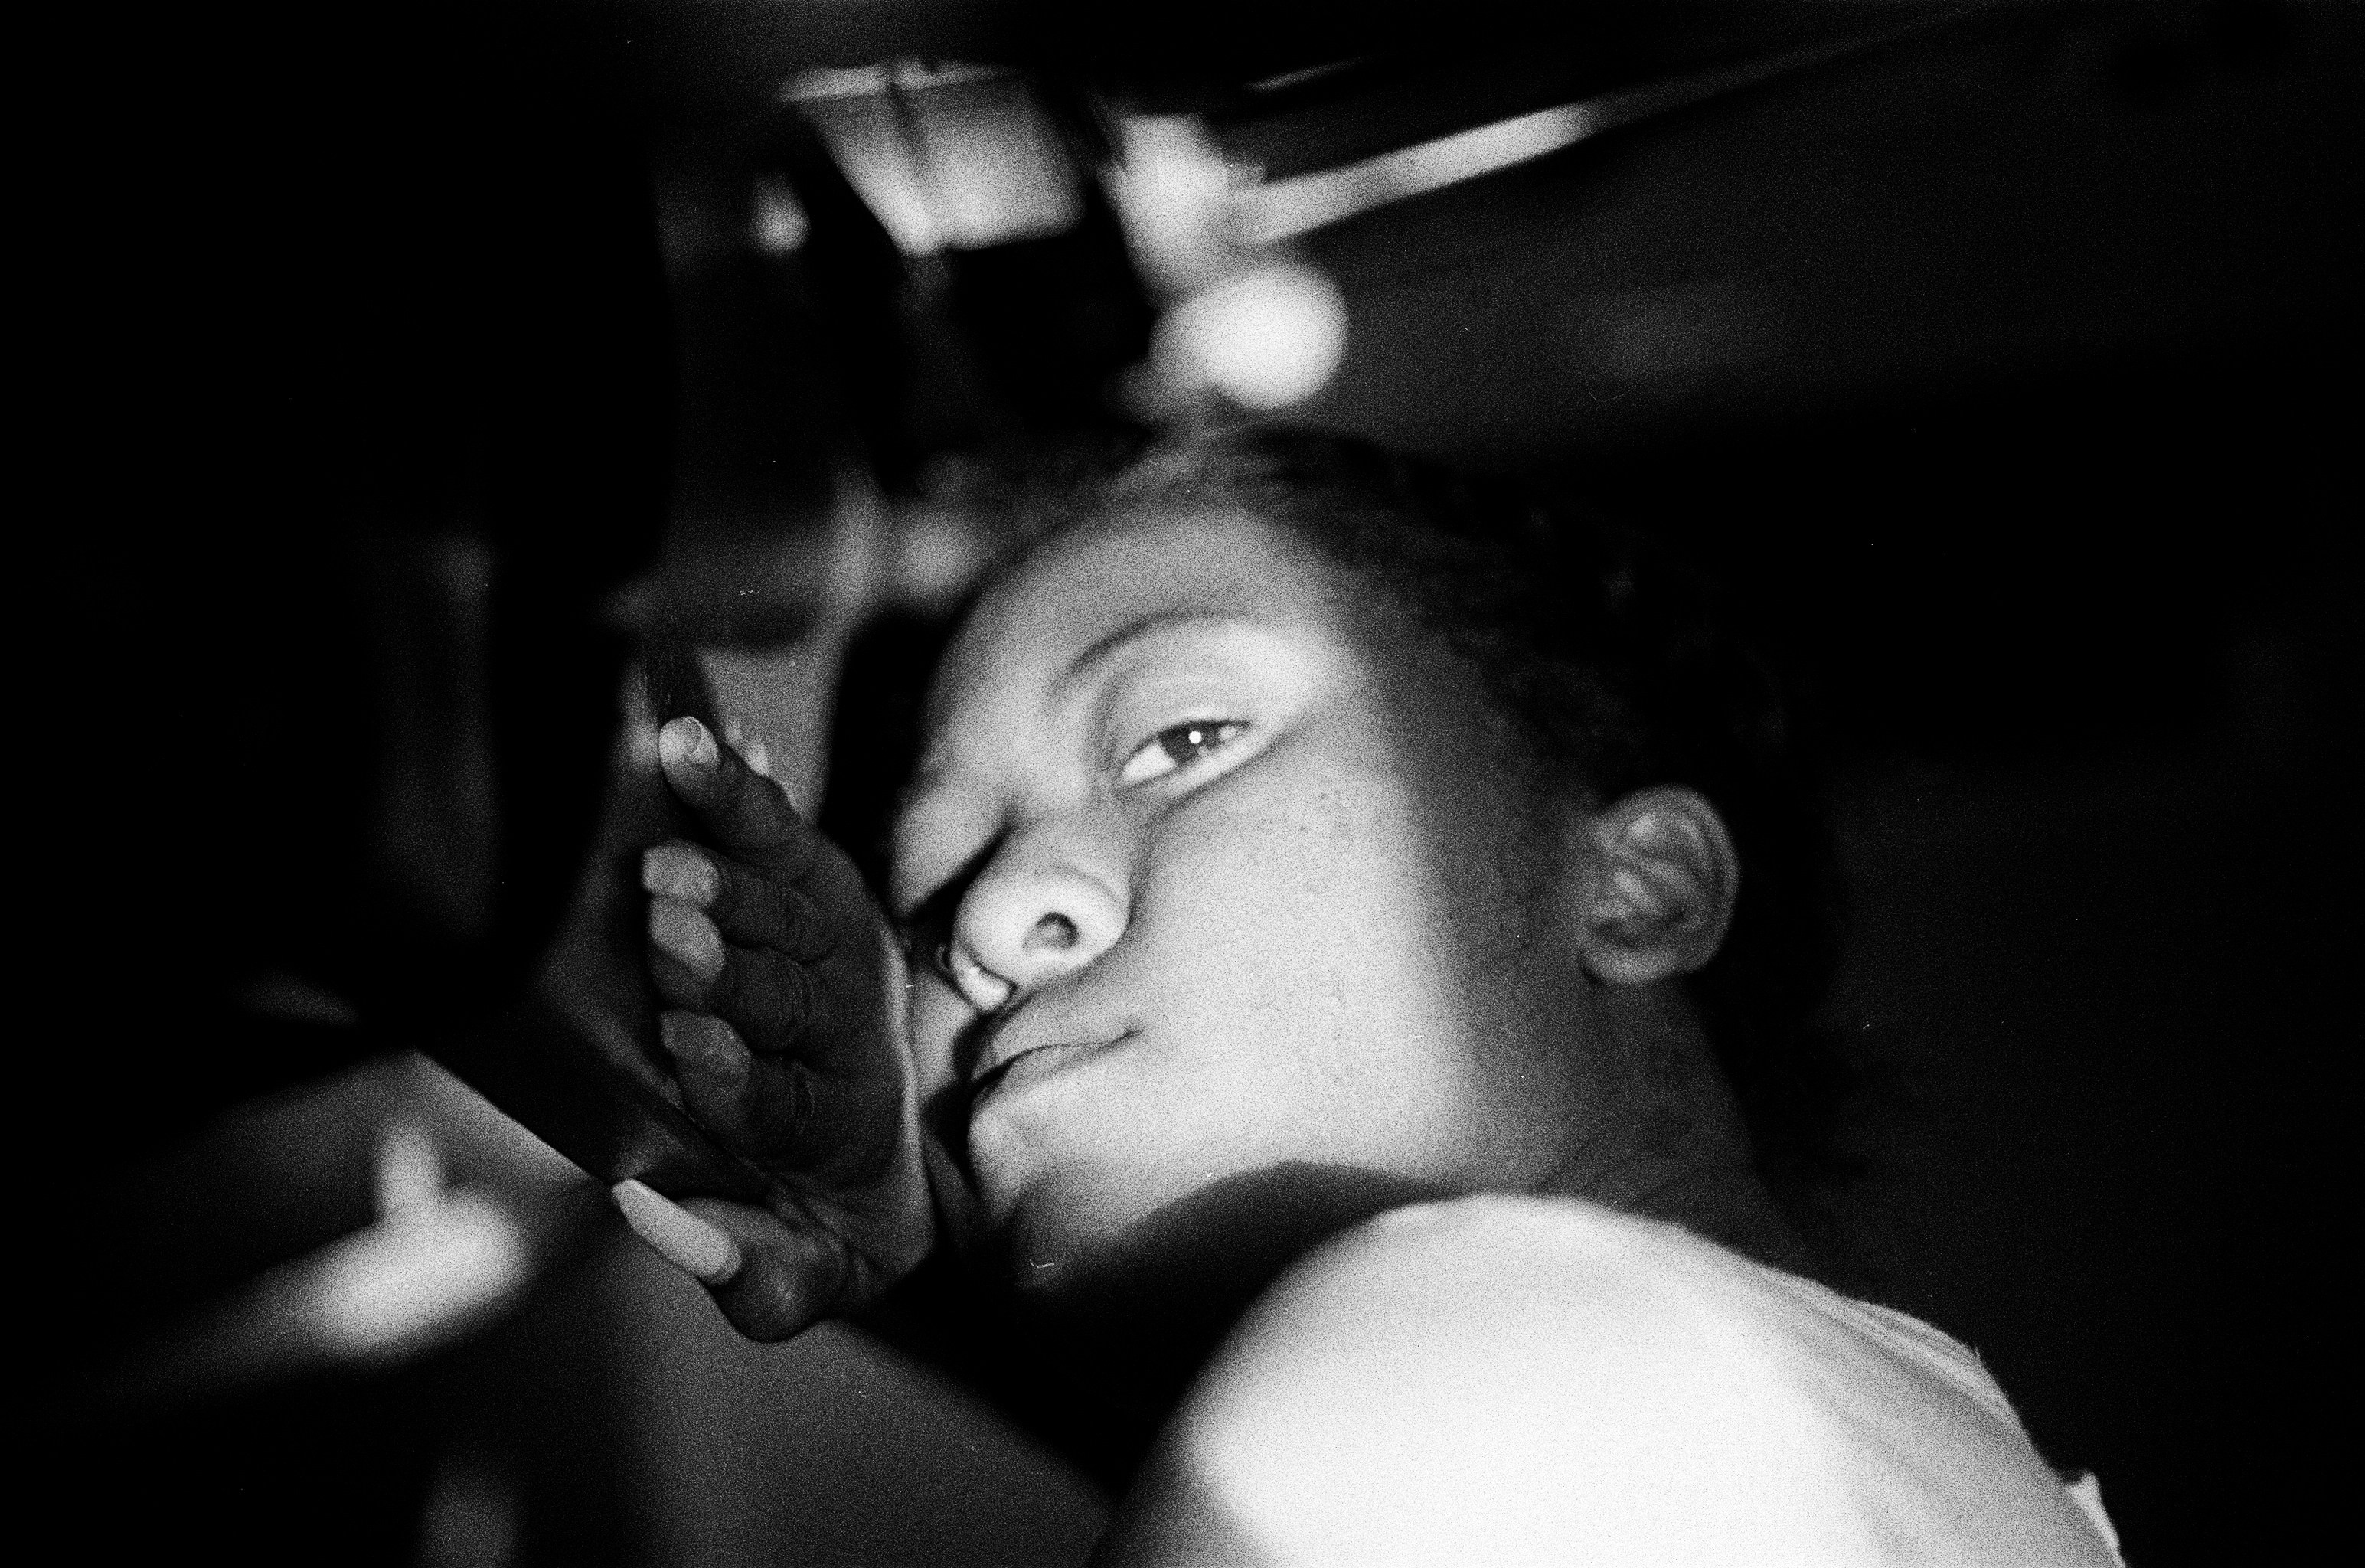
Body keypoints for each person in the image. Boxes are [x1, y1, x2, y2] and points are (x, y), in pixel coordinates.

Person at [612, 430, 2126, 1564]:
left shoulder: (1510, 1365)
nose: (995, 919)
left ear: (1634, 887)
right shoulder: (1838, 1442)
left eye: (1179, 744)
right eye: (932, 890)